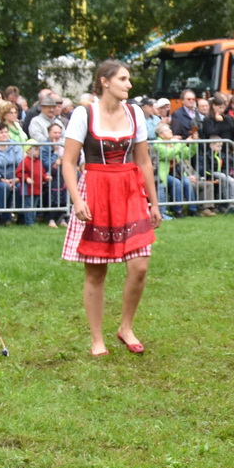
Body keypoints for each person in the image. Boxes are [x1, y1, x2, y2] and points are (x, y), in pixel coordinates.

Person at [60, 60, 160, 356]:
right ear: (104, 81)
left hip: (130, 189)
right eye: (124, 79)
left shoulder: (135, 113)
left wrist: (154, 202)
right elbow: (68, 161)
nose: (129, 85)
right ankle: (96, 338)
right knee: (96, 271)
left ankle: (125, 327)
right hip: (95, 189)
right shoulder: (84, 113)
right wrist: (77, 201)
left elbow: (143, 161)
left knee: (140, 266)